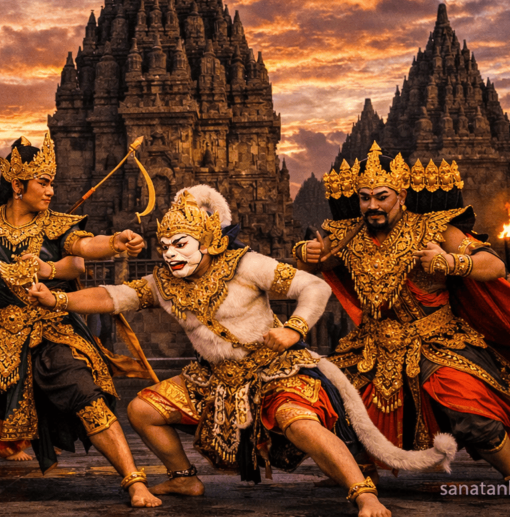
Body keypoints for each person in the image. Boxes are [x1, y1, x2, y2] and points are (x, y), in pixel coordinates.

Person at [30, 185, 461, 516]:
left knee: (298, 424)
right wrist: (58, 300)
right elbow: (113, 296)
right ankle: (183, 477)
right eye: (165, 246)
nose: (170, 255)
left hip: (276, 369)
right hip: (216, 378)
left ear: (208, 242)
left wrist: (293, 329)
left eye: (181, 244)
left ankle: (363, 493)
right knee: (143, 409)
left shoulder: (246, 265)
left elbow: (313, 287)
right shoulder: (164, 282)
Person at [299, 143, 510, 501]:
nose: (372, 205)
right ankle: (358, 471)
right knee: (329, 400)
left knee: (469, 408)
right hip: (372, 344)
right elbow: (315, 263)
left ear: (402, 195)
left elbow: (494, 265)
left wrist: (452, 263)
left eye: (381, 197)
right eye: (365, 198)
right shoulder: (350, 234)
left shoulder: (433, 228)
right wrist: (307, 254)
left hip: (435, 339)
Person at [0, 133, 161, 508]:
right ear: (17, 185)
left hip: (50, 333)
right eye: (43, 183)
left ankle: (134, 480)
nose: (50, 191)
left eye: (52, 183)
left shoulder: (56, 224)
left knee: (86, 397)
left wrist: (115, 242)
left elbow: (84, 245)